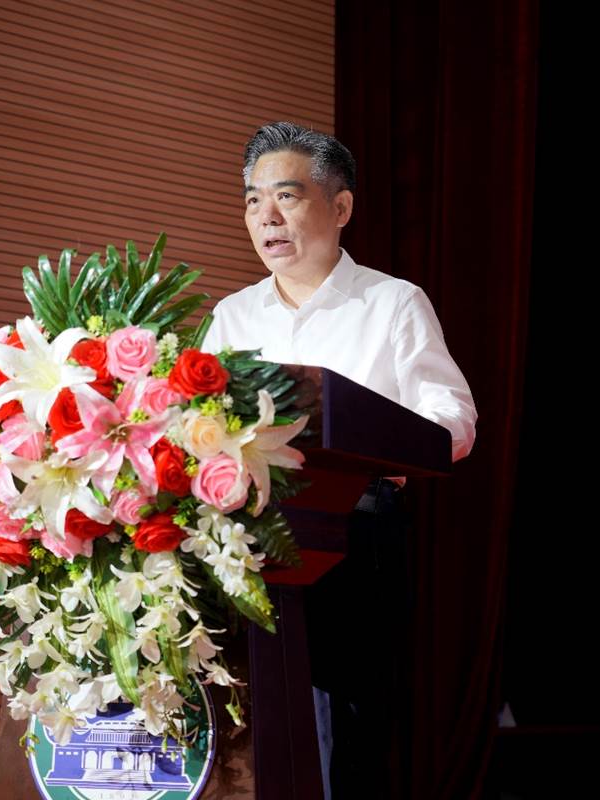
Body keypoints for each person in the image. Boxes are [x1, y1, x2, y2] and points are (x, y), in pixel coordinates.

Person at [202, 121, 478, 799]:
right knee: (250, 735)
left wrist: (374, 439)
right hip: (247, 539)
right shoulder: (232, 316)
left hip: (356, 534)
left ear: (341, 206)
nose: (266, 216)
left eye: (286, 196)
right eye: (252, 201)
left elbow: (453, 420)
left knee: (343, 745)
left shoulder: (392, 302)